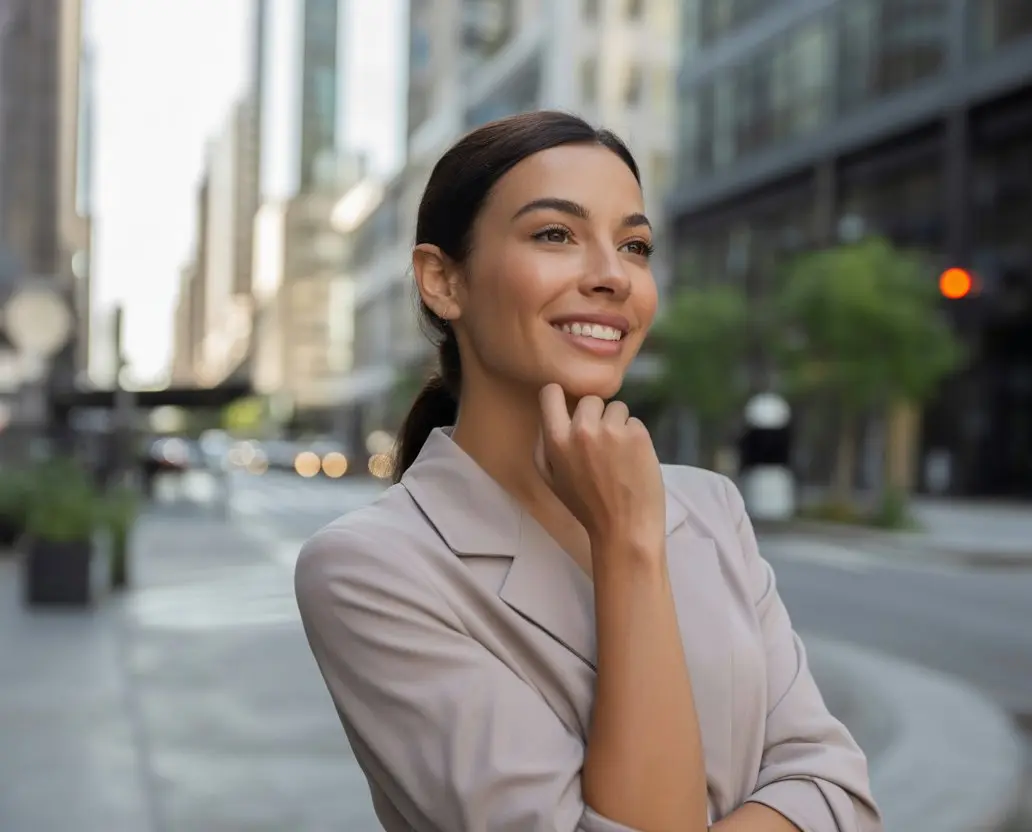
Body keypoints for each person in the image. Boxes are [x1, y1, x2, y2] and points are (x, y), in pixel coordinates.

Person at [294, 110, 881, 832]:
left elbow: (837, 788)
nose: (612, 276)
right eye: (554, 235)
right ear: (442, 280)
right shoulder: (371, 569)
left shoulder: (709, 506)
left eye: (634, 245)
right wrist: (629, 544)